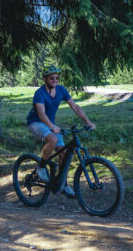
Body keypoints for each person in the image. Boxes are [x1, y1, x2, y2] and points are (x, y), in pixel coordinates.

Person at [26, 65, 96, 198]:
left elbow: (75, 106)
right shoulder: (40, 93)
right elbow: (41, 113)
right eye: (51, 78)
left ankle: (61, 182)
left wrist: (88, 122)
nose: (55, 80)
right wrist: (52, 126)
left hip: (51, 125)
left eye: (57, 78)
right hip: (36, 123)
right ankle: (41, 168)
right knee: (52, 139)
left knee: (64, 152)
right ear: (45, 79)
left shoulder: (61, 90)